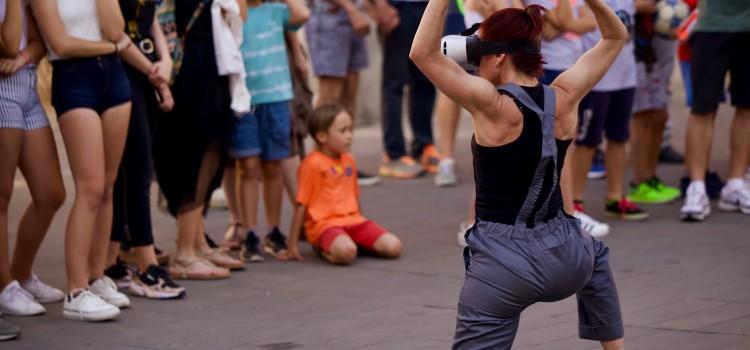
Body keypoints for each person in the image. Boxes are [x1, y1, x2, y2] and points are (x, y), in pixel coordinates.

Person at [410, 0, 627, 347]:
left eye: (478, 50)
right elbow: (615, 38)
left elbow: (423, 54)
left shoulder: (492, 104)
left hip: (503, 266)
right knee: (596, 256)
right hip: (568, 257)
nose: (474, 60)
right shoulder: (566, 96)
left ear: (498, 57)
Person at [32, 0, 149, 321]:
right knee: (90, 187)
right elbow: (61, 43)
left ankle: (97, 277)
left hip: (114, 77)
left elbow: (115, 29)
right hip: (74, 79)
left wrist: (113, 44)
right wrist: (111, 46)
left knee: (108, 187)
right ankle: (76, 289)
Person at [152, 0, 244, 280]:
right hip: (186, 61)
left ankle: (197, 241)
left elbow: (242, 12)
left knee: (215, 145)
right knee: (191, 149)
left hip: (215, 55)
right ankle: (184, 251)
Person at [103, 0, 186, 300]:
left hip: (148, 70)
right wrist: (155, 71)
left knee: (130, 172)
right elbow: (116, 35)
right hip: (122, 69)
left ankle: (110, 261)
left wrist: (164, 62)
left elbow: (151, 21)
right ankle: (147, 266)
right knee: (136, 170)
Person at [226, 0, 309, 263]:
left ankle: (273, 230)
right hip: (244, 98)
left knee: (273, 166)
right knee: (248, 165)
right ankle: (249, 232)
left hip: (277, 96)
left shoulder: (276, 10)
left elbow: (302, 14)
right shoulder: (237, 13)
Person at [0, 0, 65, 329]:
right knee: (2, 194)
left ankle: (22, 274)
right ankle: (3, 285)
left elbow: (38, 43)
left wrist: (25, 57)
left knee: (51, 192)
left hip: (25, 84)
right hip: (1, 88)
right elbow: (8, 42)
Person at [280, 104, 402, 264]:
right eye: (343, 131)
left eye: (350, 130)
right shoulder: (312, 163)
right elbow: (301, 204)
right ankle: (326, 249)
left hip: (354, 221)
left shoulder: (349, 159)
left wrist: (362, 221)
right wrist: (292, 246)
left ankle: (352, 243)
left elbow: (354, 196)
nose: (349, 136)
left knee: (394, 247)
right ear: (322, 136)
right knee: (345, 253)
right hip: (325, 225)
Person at [570, 0, 648, 221]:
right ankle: (575, 201)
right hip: (596, 78)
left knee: (619, 138)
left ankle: (615, 197)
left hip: (625, 75)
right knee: (587, 141)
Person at [305, 0, 396, 186]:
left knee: (349, 97)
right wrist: (351, 9)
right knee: (330, 96)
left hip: (352, 18)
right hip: (328, 17)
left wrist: (374, 7)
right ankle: (318, 168)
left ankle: (343, 164)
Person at [680, 0, 750, 221]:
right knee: (702, 108)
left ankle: (735, 185)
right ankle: (697, 187)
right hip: (711, 25)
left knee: (747, 107)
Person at [626, 0, 681, 205]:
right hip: (632, 52)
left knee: (660, 115)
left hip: (650, 51)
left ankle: (651, 177)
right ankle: (639, 181)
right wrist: (636, 7)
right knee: (641, 117)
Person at [378, 0, 438, 179]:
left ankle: (423, 146)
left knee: (425, 79)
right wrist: (381, 5)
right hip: (398, 8)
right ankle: (393, 153)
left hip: (425, 6)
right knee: (395, 84)